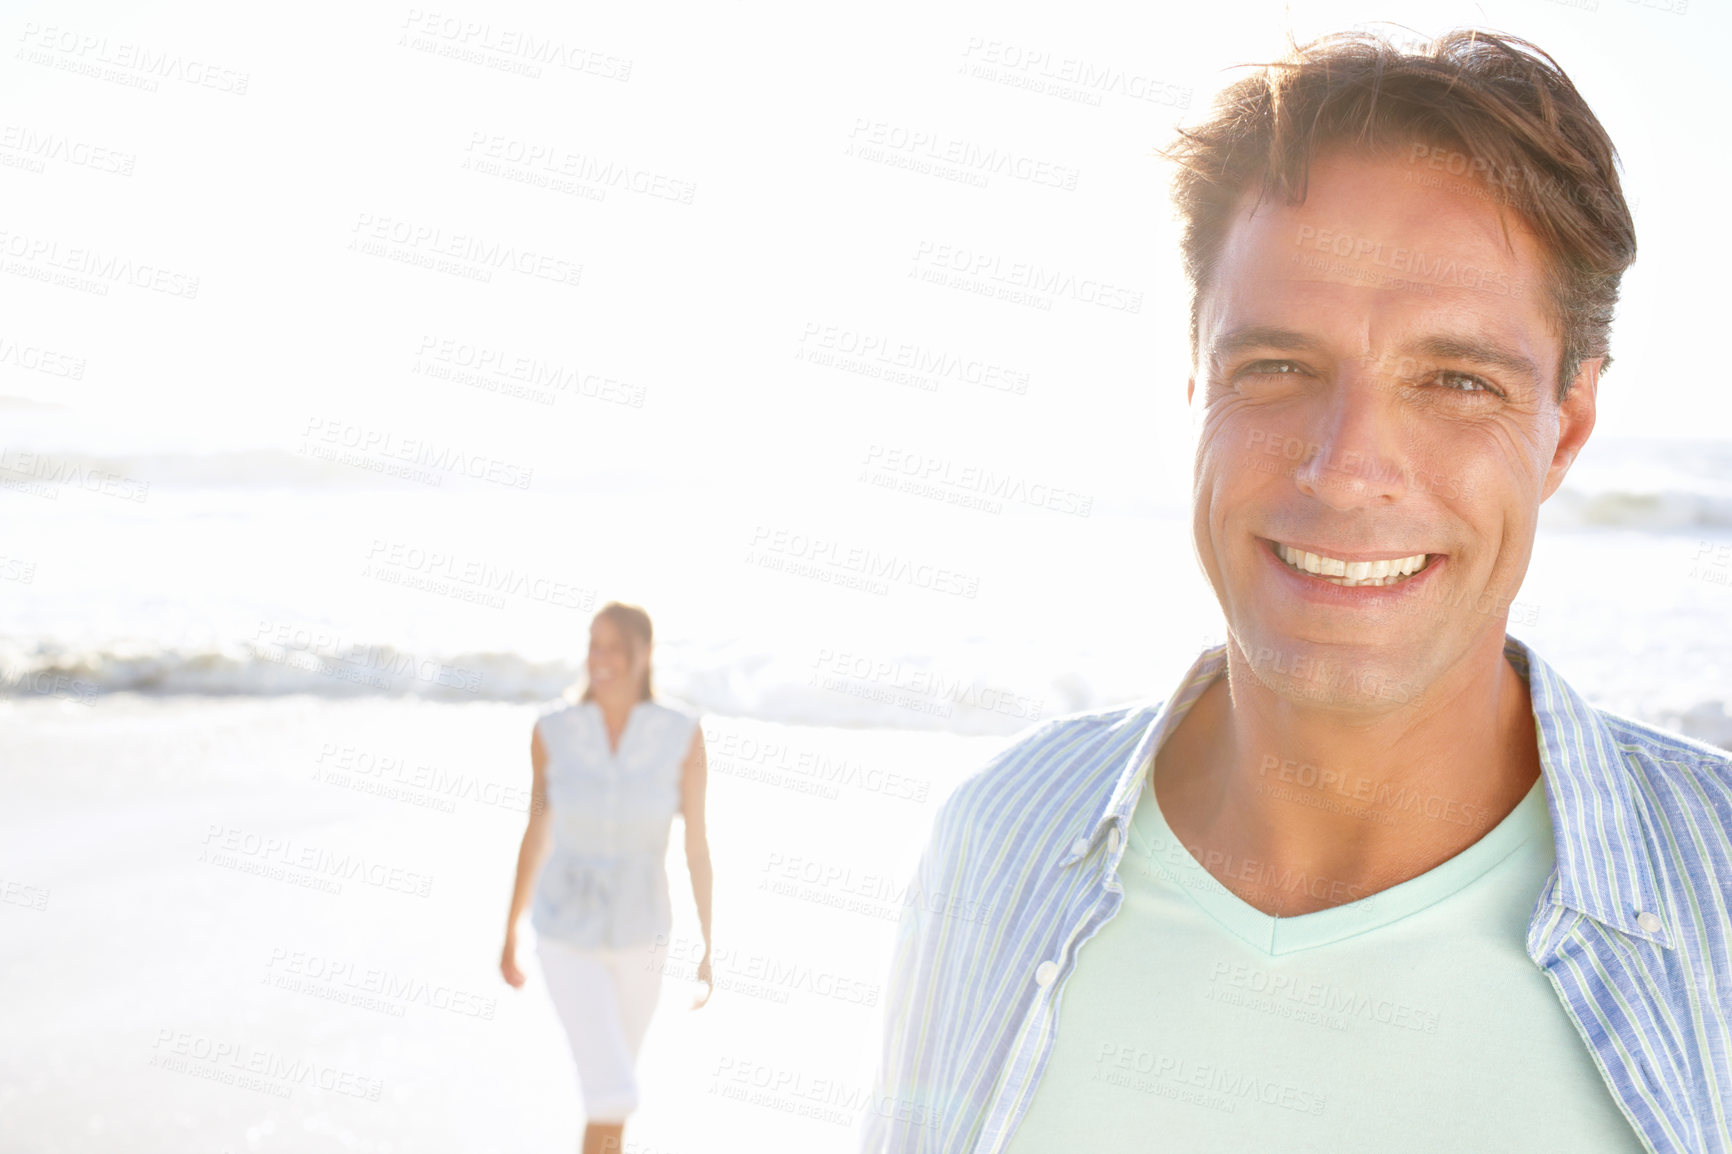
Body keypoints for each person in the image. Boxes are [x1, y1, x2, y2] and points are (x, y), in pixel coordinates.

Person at [862, 28, 1731, 1154]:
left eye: (1457, 380)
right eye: (1276, 366)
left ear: (1564, 426)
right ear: (1194, 379)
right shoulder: (1001, 839)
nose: (1346, 467)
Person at [501, 601, 714, 1154]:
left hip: (646, 935)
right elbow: (536, 831)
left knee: (611, 1099)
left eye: (615, 647)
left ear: (644, 654)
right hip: (564, 932)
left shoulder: (682, 735)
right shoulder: (552, 731)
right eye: (594, 645)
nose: (601, 659)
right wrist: (509, 933)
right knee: (611, 1091)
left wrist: (709, 945)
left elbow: (696, 846)